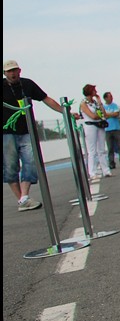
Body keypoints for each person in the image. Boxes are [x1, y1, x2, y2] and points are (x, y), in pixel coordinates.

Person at [3, 60, 65, 211]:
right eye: (9, 71)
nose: (12, 74)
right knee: (10, 166)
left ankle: (24, 196)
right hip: (6, 132)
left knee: (31, 161)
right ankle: (22, 200)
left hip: (27, 131)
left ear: (20, 71)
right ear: (5, 74)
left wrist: (64, 111)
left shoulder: (27, 84)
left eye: (14, 70)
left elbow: (46, 99)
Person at [79, 84, 110, 181]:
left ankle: (106, 170)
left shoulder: (95, 102)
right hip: (90, 125)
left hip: (99, 125)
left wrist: (100, 102)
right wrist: (100, 116)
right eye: (94, 90)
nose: (96, 91)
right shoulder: (84, 103)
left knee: (101, 149)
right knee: (92, 150)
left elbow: (104, 114)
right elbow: (92, 116)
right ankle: (92, 172)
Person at [102, 91, 120, 170]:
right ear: (106, 98)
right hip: (107, 129)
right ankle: (111, 163)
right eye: (110, 97)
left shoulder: (114, 105)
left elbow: (116, 113)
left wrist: (108, 115)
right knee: (110, 148)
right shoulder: (103, 107)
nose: (112, 98)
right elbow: (104, 116)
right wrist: (110, 115)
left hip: (116, 128)